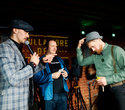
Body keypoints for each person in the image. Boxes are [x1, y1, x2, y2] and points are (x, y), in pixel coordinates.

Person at [0, 19, 55, 110]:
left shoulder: (17, 49)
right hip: (11, 104)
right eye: (25, 32)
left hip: (22, 103)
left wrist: (40, 62)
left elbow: (25, 74)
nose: (28, 36)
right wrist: (32, 64)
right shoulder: (5, 48)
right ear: (15, 30)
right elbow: (12, 78)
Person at [76, 31, 125, 110]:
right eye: (90, 48)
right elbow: (81, 62)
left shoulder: (115, 50)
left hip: (117, 90)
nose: (92, 50)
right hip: (103, 91)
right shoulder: (95, 56)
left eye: (93, 46)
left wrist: (108, 79)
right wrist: (78, 48)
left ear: (98, 40)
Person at [33, 40, 69, 110]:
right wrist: (51, 76)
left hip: (63, 94)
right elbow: (36, 79)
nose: (55, 48)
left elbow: (66, 71)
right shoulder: (41, 61)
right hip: (49, 96)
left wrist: (66, 74)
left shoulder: (60, 60)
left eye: (56, 46)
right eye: (52, 46)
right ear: (46, 47)